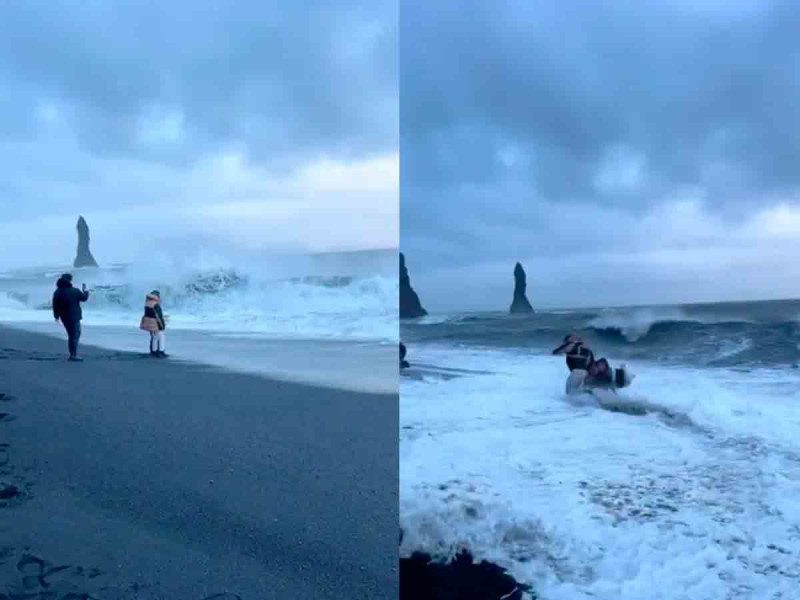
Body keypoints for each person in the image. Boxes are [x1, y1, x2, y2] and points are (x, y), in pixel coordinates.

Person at [52, 273, 90, 361]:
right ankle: (73, 355)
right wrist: (86, 291)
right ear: (70, 280)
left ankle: (73, 354)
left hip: (64, 316)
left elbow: (55, 305)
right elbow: (84, 298)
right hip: (74, 316)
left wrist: (56, 316)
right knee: (75, 335)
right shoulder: (74, 291)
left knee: (72, 335)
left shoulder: (57, 292)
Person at [141, 290, 168, 357]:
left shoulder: (147, 303)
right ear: (157, 296)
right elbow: (159, 317)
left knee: (154, 336)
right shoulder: (155, 304)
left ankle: (154, 351)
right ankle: (161, 351)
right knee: (161, 335)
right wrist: (162, 325)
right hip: (154, 323)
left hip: (148, 322)